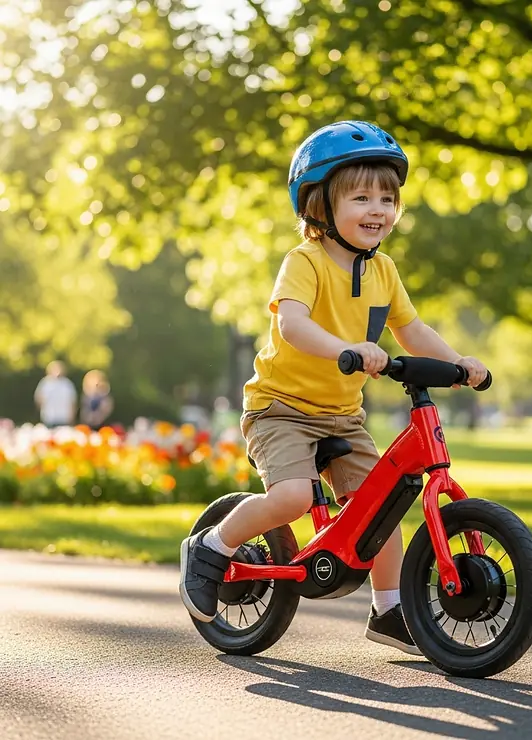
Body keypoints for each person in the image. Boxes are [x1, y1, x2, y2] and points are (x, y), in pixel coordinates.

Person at [179, 121, 488, 655]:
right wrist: (346, 350)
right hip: (282, 408)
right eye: (362, 197)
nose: (379, 209)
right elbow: (292, 325)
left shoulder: (384, 270)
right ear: (319, 204)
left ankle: (389, 608)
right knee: (294, 496)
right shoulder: (306, 261)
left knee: (384, 502)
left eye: (388, 198)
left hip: (341, 413)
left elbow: (410, 330)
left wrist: (458, 361)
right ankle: (213, 545)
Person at [34, 360, 77, 428]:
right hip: (49, 417)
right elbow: (39, 399)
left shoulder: (67, 384)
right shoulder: (45, 384)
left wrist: (71, 417)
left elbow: (72, 402)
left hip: (64, 417)